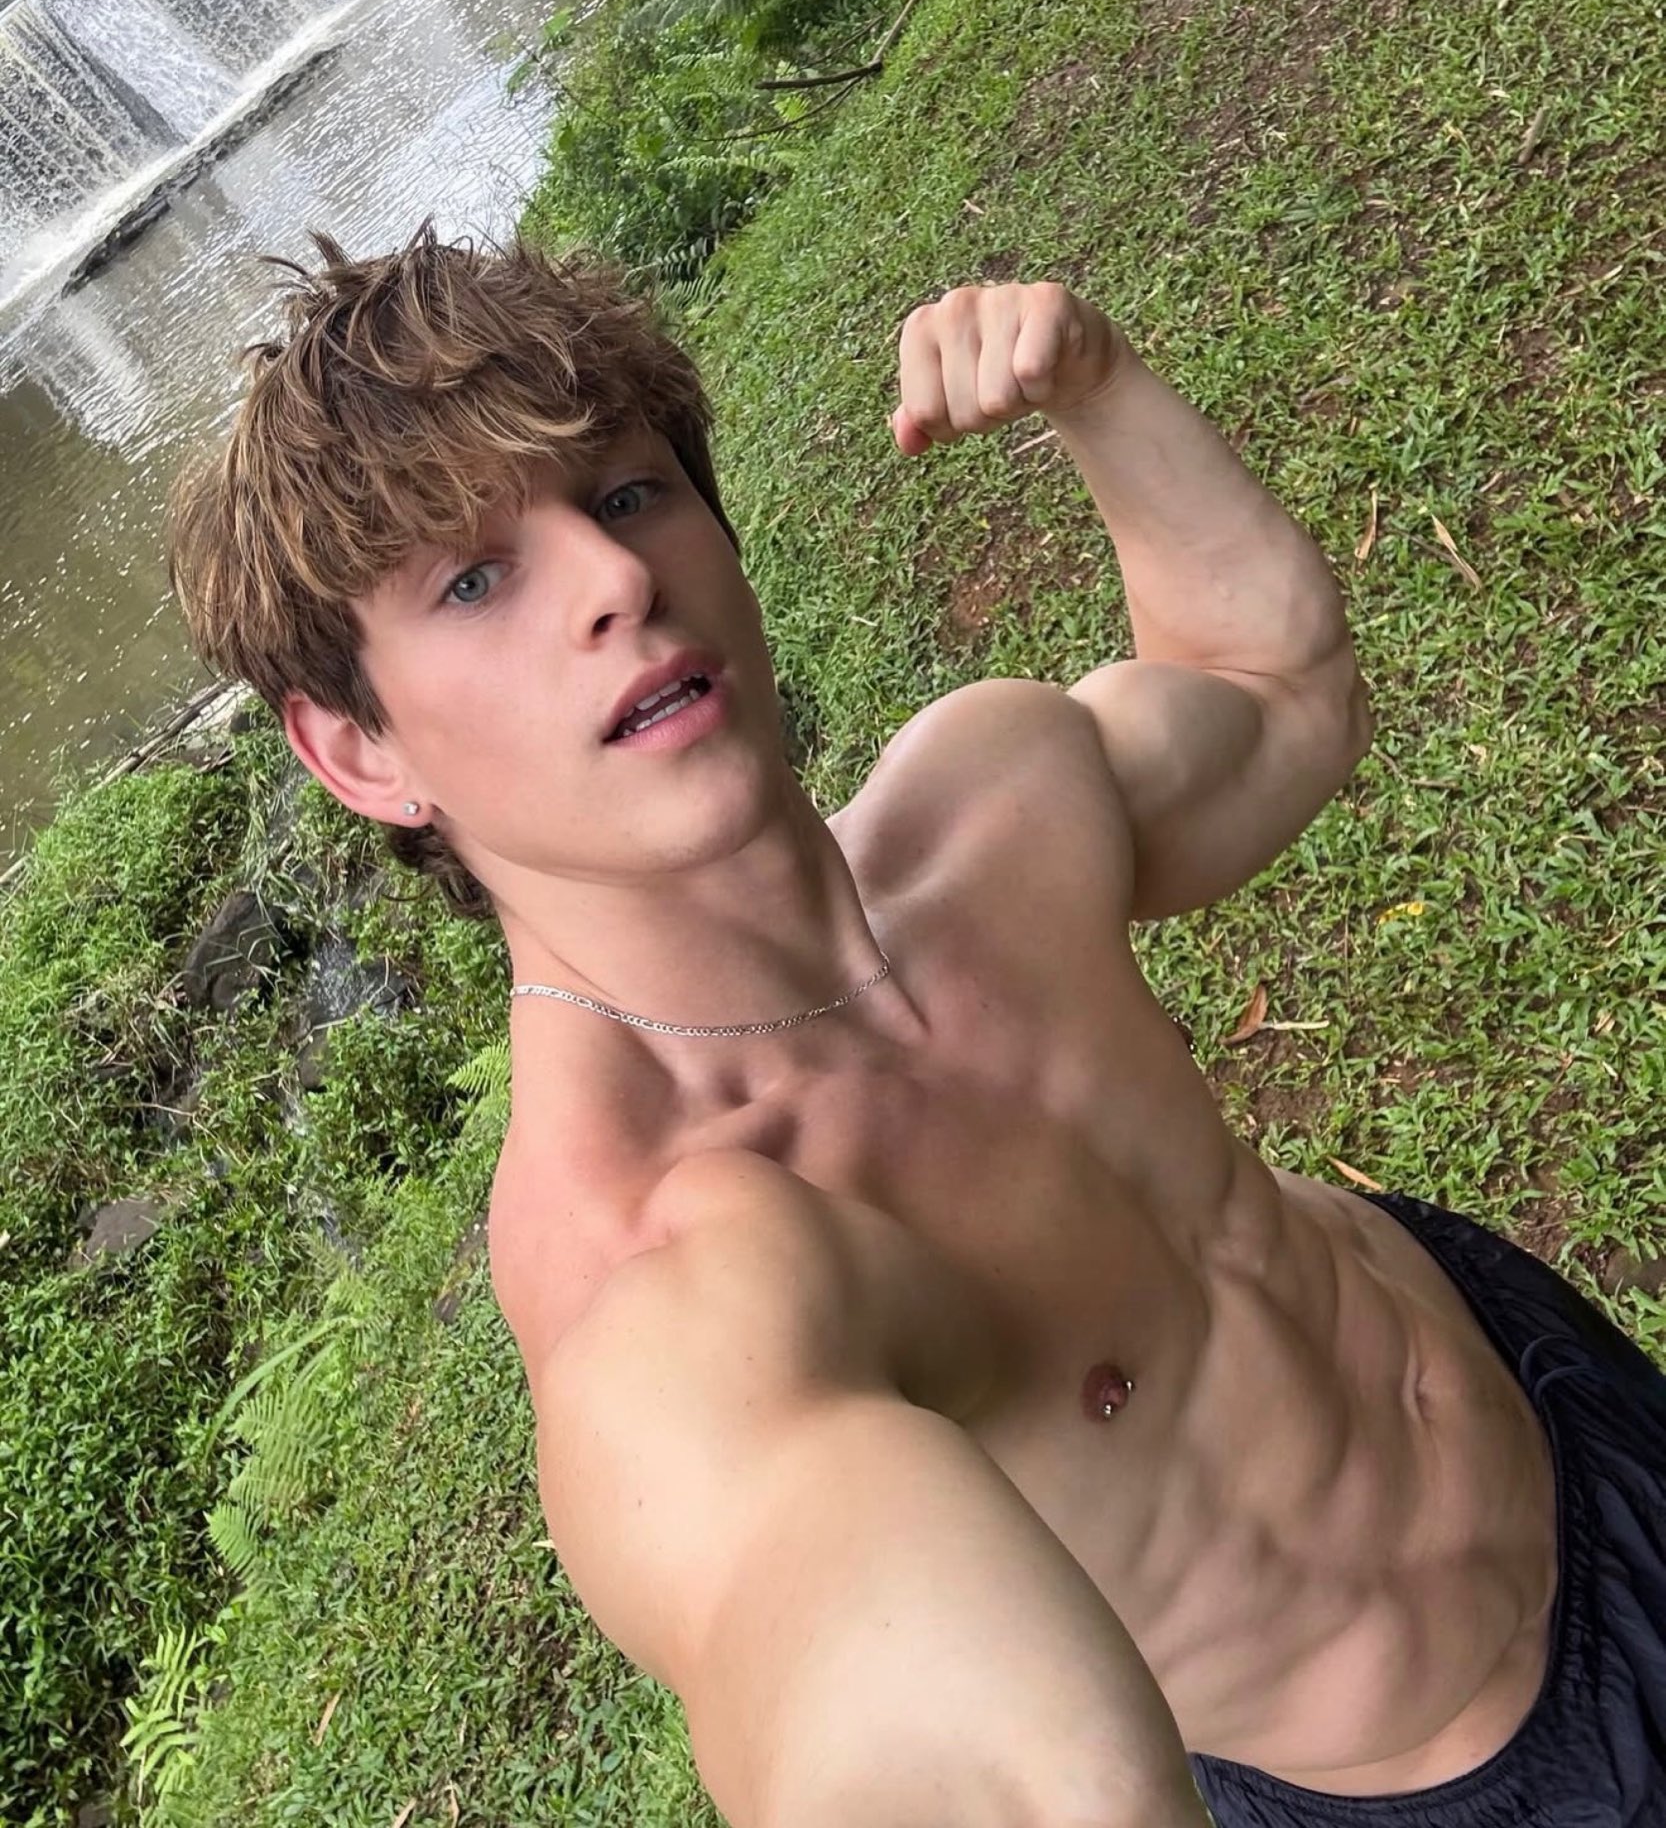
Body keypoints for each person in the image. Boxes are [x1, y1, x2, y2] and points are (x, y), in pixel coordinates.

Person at [167, 222, 1666, 1828]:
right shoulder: (663, 1254)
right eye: (473, 582)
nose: (613, 581)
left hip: (1554, 1398)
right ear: (362, 752)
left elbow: (1281, 690)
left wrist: (1098, 386)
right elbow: (808, 1608)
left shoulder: (992, 802)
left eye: (626, 495)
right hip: (1451, 1775)